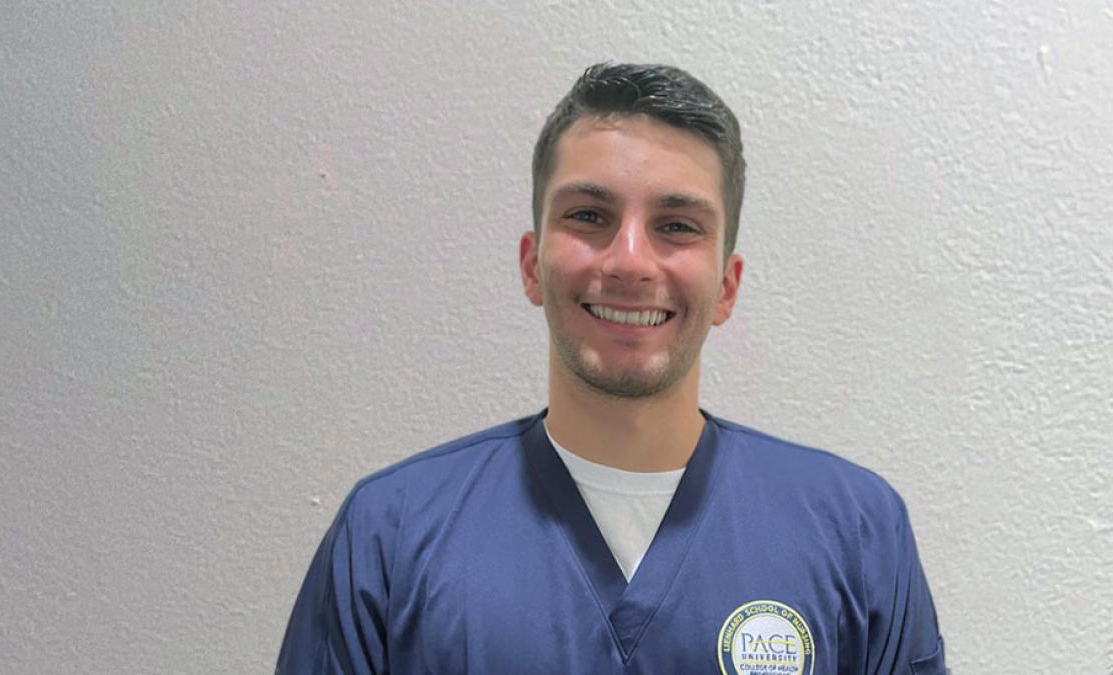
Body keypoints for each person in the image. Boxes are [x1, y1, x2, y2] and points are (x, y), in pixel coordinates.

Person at [277, 62, 947, 675]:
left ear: (728, 285)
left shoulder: (856, 532)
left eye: (678, 225)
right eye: (590, 216)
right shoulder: (389, 537)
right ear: (532, 265)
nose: (629, 259)